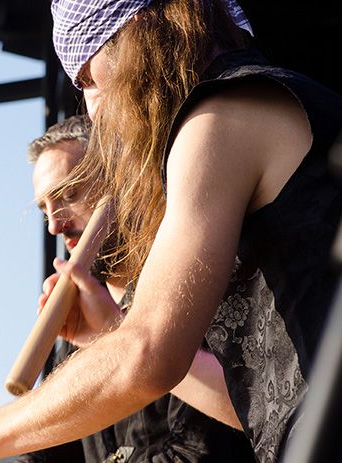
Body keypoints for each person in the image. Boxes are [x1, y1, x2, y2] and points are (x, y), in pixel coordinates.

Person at [0, 1, 342, 462]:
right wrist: (112, 328)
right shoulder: (276, 106)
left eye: (87, 78)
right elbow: (258, 405)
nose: (93, 108)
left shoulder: (220, 118)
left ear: (138, 35)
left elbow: (147, 353)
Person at [19, 115, 254, 463]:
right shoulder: (76, 325)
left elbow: (200, 452)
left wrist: (118, 334)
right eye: (45, 209)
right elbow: (44, 456)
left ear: (124, 181)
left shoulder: (193, 287)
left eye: (70, 193)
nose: (55, 224)